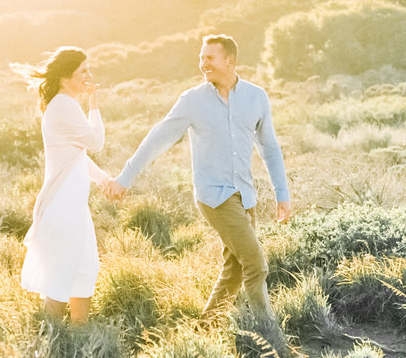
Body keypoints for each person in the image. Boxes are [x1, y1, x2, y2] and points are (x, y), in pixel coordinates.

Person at [105, 34, 291, 322]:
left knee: (235, 271)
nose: (203, 64)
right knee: (256, 264)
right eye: (201, 57)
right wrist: (126, 176)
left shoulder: (257, 97)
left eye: (210, 58)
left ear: (230, 61)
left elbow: (270, 147)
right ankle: (269, 336)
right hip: (214, 195)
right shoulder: (192, 100)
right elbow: (159, 138)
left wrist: (282, 193)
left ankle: (204, 330)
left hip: (245, 194)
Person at [15, 47, 108, 323]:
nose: (89, 76)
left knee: (83, 270)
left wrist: (105, 181)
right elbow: (96, 143)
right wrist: (94, 103)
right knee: (61, 277)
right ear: (66, 77)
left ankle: (79, 338)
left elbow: (77, 156)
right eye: (83, 71)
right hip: (63, 206)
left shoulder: (62, 104)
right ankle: (51, 345)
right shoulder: (64, 106)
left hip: (71, 207)